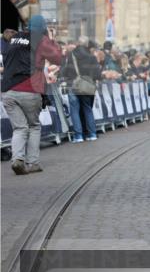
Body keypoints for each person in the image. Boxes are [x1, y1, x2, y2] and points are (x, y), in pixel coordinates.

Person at [1, 15, 63, 174]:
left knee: (19, 128)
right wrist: (51, 38)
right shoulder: (40, 40)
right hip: (29, 89)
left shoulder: (13, 39)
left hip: (8, 91)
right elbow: (57, 57)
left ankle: (17, 160)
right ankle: (33, 163)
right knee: (34, 126)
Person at [63, 37, 101, 142]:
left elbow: (65, 71)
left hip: (73, 85)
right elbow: (98, 74)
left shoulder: (71, 55)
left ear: (77, 43)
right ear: (87, 45)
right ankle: (92, 134)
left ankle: (78, 136)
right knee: (87, 109)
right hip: (87, 86)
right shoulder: (91, 56)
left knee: (74, 110)